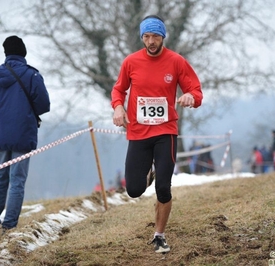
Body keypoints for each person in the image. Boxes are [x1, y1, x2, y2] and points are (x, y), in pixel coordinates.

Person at [111, 15, 203, 254]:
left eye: (155, 36)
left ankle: (159, 235)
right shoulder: (131, 62)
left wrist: (190, 97)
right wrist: (118, 107)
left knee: (163, 188)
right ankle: (149, 172)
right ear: (142, 37)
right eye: (147, 37)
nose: (151, 41)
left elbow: (195, 89)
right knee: (133, 190)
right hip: (139, 133)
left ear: (163, 37)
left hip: (166, 132)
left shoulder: (176, 61)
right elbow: (118, 89)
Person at [0, 36, 50, 235]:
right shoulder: (32, 76)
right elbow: (44, 105)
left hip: (0, 134)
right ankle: (9, 226)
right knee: (17, 179)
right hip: (23, 133)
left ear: (6, 53)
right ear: (23, 52)